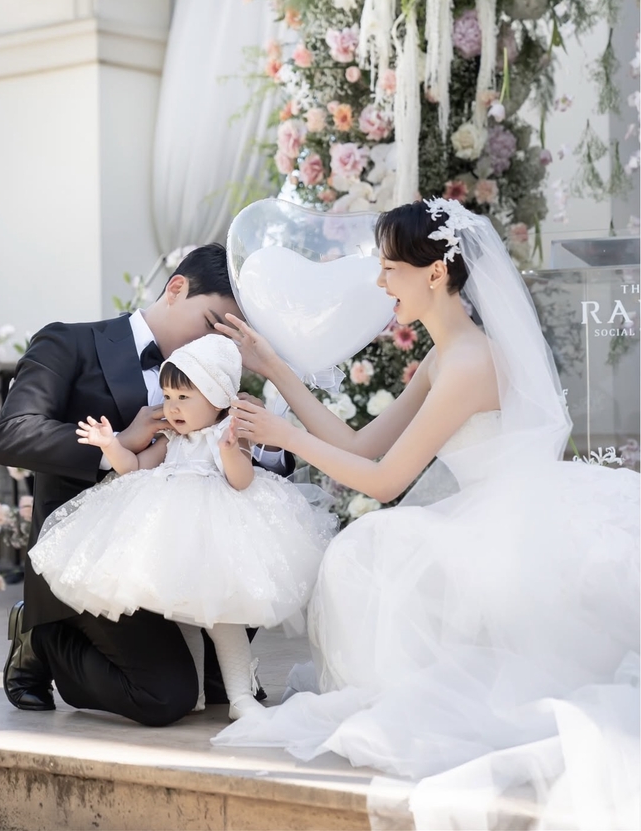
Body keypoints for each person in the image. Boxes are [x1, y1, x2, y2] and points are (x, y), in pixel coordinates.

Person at [213, 200, 640, 830]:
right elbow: (361, 444)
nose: (380, 282)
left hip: (511, 523)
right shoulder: (447, 354)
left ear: (435, 273)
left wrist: (286, 435)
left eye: (390, 268)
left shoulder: (468, 363)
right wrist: (272, 364)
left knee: (367, 552)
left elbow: (385, 482)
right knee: (373, 550)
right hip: (485, 512)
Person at [0, 244, 294, 727]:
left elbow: (241, 480)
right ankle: (44, 638)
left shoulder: (218, 374)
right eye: (212, 324)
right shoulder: (69, 342)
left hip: (188, 557)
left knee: (217, 686)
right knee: (165, 697)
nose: (216, 342)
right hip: (95, 558)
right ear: (176, 289)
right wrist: (120, 442)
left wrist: (268, 440)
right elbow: (11, 434)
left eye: (230, 337)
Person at [28, 334, 336, 720]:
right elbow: (134, 467)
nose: (172, 407)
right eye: (168, 396)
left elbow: (241, 480)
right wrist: (110, 445)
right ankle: (196, 692)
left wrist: (229, 452)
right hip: (172, 537)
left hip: (214, 535)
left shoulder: (228, 434)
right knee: (180, 617)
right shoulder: (170, 438)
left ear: (218, 397)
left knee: (222, 619)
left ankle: (240, 696)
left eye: (184, 397)